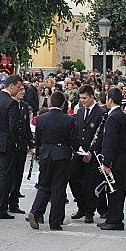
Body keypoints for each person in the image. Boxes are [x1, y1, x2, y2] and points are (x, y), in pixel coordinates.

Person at [27, 91, 78, 231]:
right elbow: (73, 141)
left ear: (50, 103)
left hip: (45, 154)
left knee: (44, 185)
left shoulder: (41, 119)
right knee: (58, 188)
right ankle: (55, 221)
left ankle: (35, 212)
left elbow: (37, 139)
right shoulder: (68, 120)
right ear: (63, 104)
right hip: (62, 155)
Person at [69, 84, 106, 224]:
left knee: (90, 183)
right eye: (81, 98)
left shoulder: (101, 113)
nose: (83, 101)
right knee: (73, 178)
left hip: (93, 153)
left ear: (92, 97)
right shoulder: (79, 111)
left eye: (85, 98)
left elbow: (101, 135)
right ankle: (81, 206)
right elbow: (78, 131)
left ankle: (90, 211)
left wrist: (91, 151)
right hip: (80, 152)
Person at [0, 74, 23, 219]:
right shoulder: (11, 103)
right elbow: (13, 127)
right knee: (4, 177)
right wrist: (15, 142)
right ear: (11, 86)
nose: (20, 90)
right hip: (6, 144)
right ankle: (1, 208)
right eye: (19, 87)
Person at [98, 87, 126, 231]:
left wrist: (107, 162)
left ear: (110, 99)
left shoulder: (113, 117)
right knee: (115, 191)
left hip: (115, 161)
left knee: (114, 191)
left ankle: (115, 220)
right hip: (121, 160)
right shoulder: (121, 115)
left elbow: (111, 141)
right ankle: (112, 218)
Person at [8, 85, 33, 214]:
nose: (22, 92)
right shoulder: (10, 104)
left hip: (22, 145)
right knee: (10, 175)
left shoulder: (23, 106)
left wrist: (31, 144)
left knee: (18, 175)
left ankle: (14, 202)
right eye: (20, 90)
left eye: (23, 90)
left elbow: (26, 127)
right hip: (12, 145)